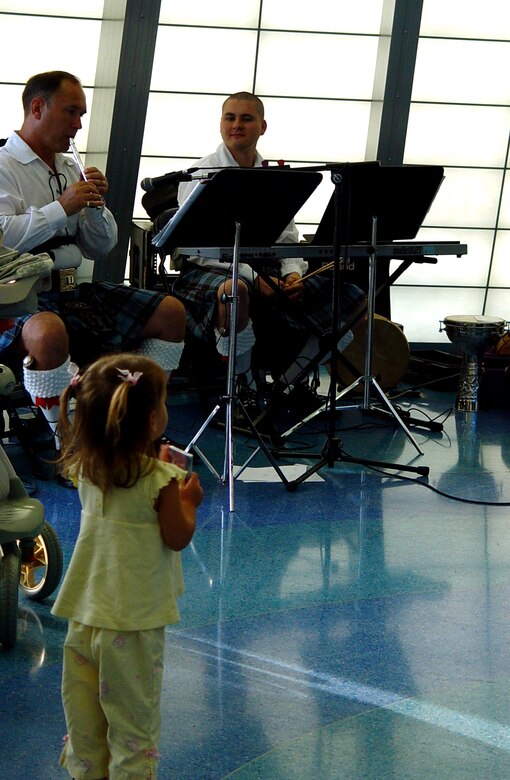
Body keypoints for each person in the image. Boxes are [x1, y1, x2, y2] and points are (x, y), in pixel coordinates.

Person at [0, 70, 186, 442]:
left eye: (82, 115)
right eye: (71, 113)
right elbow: (5, 237)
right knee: (48, 332)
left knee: (170, 312)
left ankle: (138, 420)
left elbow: (101, 247)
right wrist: (61, 207)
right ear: (37, 108)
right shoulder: (4, 165)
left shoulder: (71, 166)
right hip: (18, 298)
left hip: (70, 291)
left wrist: (96, 206)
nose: (78, 125)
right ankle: (67, 441)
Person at [52, 352, 203, 779]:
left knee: (85, 727)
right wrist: (189, 499)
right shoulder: (162, 481)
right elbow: (177, 535)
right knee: (132, 731)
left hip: (84, 616)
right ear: (154, 420)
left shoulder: (83, 468)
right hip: (133, 624)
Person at [173, 91, 365, 417]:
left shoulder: (274, 175)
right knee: (236, 291)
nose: (237, 125)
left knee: (355, 297)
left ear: (262, 127)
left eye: (246, 119)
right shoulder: (200, 173)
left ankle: (287, 384)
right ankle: (242, 389)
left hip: (269, 273)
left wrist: (293, 273)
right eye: (230, 118)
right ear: (221, 124)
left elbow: (289, 236)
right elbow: (200, 249)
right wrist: (254, 277)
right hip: (212, 270)